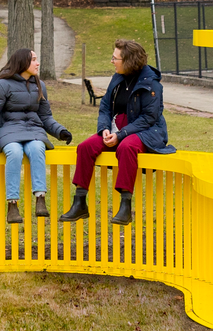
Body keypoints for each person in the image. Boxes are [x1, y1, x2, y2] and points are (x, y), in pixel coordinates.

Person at [63, 39, 175, 226]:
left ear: (129, 61)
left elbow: (149, 117)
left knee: (126, 147)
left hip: (146, 131)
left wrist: (121, 135)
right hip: (117, 128)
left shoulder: (152, 84)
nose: (111, 61)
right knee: (85, 147)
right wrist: (104, 129)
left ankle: (125, 206)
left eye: (115, 58)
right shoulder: (117, 78)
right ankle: (80, 202)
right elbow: (105, 106)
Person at [0, 47, 73, 224]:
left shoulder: (39, 85)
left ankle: (40, 198)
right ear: (22, 62)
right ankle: (12, 204)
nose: (38, 63)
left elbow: (45, 116)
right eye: (34, 60)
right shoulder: (1, 85)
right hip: (9, 130)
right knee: (14, 152)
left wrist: (60, 131)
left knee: (38, 147)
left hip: (33, 130)